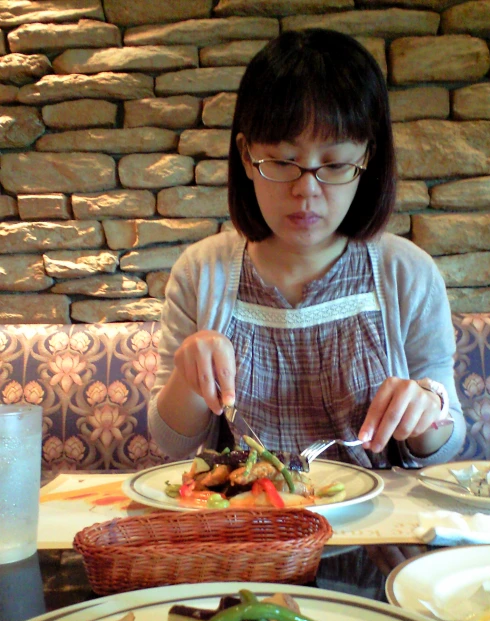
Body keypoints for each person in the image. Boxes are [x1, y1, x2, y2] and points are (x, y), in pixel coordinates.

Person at [148, 27, 465, 471]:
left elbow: (446, 445)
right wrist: (188, 375)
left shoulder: (406, 272)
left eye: (334, 165)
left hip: (380, 526)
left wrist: (428, 408)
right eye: (280, 161)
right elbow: (172, 442)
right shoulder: (202, 271)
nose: (306, 191)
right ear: (245, 156)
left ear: (367, 157)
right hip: (246, 525)